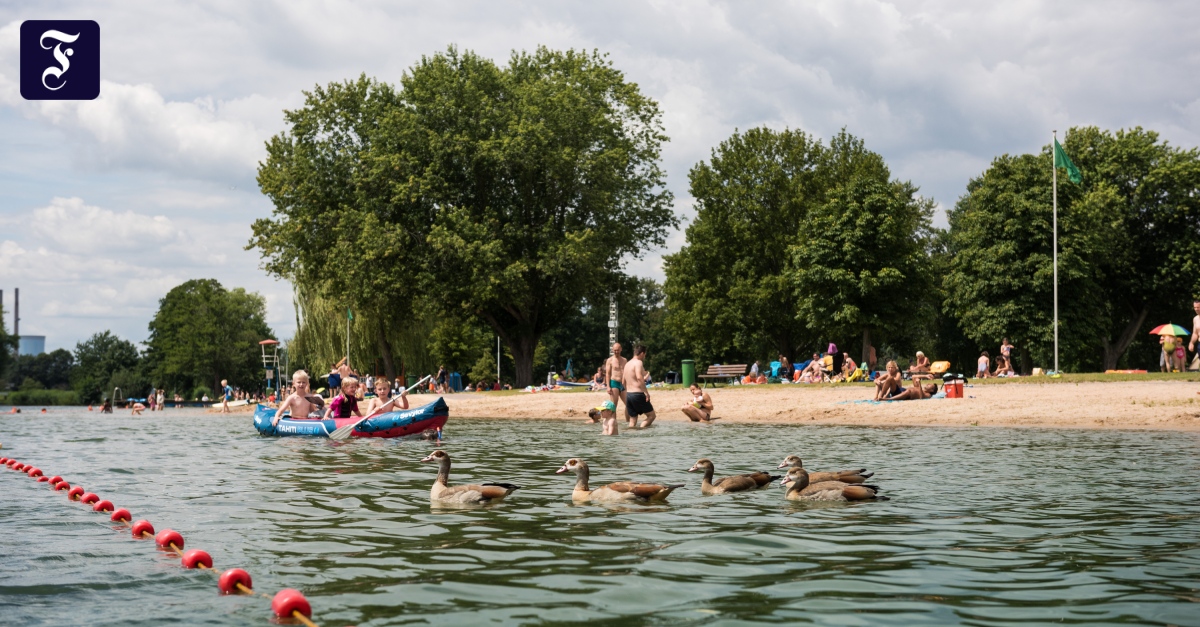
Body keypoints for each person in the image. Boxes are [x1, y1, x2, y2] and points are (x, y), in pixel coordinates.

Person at [622, 345, 656, 428]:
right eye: (645, 355)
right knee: (651, 416)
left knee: (633, 420)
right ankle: (641, 430)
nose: (644, 357)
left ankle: (631, 435)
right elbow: (639, 377)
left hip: (629, 395)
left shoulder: (627, 364)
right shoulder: (638, 362)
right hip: (637, 394)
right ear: (641, 353)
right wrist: (646, 392)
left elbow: (623, 381)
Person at [604, 342, 628, 412]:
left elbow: (626, 372)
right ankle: (613, 422)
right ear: (612, 350)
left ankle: (628, 422)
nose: (616, 352)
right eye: (615, 350)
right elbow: (607, 374)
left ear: (621, 349)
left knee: (628, 404)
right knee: (614, 405)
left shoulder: (624, 360)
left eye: (617, 350)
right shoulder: (610, 360)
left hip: (623, 383)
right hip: (614, 382)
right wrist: (608, 386)